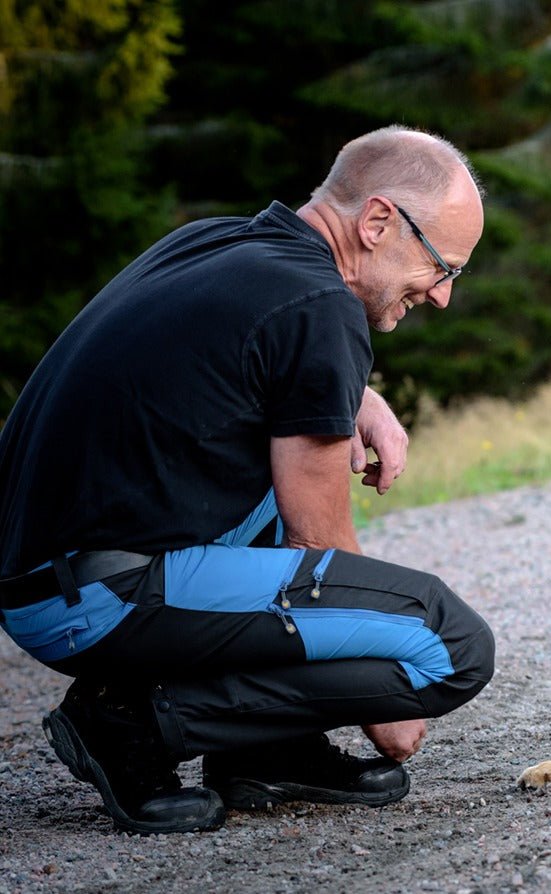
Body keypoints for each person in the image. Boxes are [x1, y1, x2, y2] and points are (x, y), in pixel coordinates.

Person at [0, 126, 494, 835]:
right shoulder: (317, 307)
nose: (442, 296)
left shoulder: (222, 243)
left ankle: (266, 747)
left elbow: (247, 356)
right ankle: (132, 721)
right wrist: (380, 695)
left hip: (40, 574)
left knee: (280, 482)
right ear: (379, 220)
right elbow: (317, 539)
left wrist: (359, 395)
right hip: (100, 593)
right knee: (450, 645)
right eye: (441, 267)